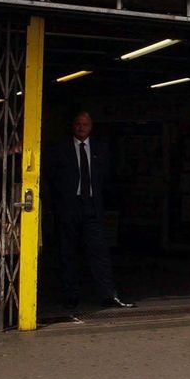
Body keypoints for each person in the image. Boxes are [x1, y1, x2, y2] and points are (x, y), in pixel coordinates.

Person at [47, 111, 134, 317]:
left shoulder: (100, 149)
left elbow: (108, 177)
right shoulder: (61, 149)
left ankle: (107, 295)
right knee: (68, 251)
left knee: (99, 251)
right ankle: (71, 296)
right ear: (73, 126)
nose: (81, 127)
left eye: (85, 124)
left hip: (93, 206)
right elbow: (52, 177)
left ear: (91, 127)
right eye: (77, 124)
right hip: (69, 206)